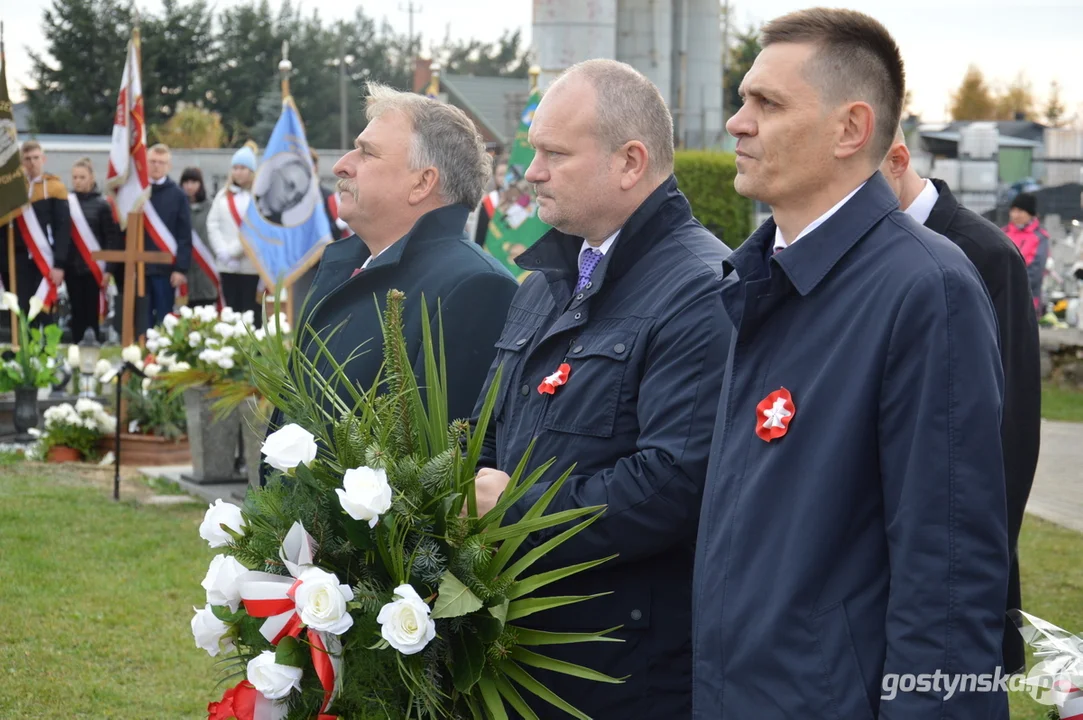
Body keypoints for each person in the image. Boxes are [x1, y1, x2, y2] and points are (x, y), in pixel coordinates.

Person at [692, 9, 1009, 719]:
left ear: (850, 129)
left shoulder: (924, 289)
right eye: (742, 100)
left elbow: (949, 585)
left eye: (766, 103)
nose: (736, 123)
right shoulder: (761, 280)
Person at [470, 59, 732, 718]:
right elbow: (485, 439)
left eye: (554, 152)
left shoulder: (701, 290)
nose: (531, 171)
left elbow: (673, 483)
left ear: (629, 162)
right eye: (533, 151)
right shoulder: (546, 284)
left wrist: (516, 511)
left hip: (618, 670)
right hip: (521, 649)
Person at [262, 83, 518, 481]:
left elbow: (436, 475)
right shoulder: (348, 265)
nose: (341, 165)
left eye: (367, 152)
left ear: (422, 182)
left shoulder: (476, 288)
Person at [880, 129, 1042, 675]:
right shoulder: (872, 248)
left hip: (952, 567)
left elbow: (1010, 434)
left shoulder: (987, 255)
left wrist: (974, 569)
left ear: (897, 161)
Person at [0, 140, 69, 323]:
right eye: (27, 158)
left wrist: (59, 264)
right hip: (18, 259)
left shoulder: (55, 187)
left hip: (45, 260)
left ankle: (47, 351)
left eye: (36, 158)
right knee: (21, 310)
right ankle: (23, 350)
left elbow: (62, 228)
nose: (32, 162)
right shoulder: (12, 190)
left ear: (43, 159)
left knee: (45, 311)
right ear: (22, 162)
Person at [67, 158, 121, 342]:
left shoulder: (103, 204)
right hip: (72, 267)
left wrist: (108, 270)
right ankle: (76, 348)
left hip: (94, 268)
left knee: (92, 312)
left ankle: (93, 347)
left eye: (82, 177)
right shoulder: (67, 203)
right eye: (74, 177)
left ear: (91, 178)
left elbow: (111, 239)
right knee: (76, 312)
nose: (78, 181)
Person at [207, 148, 260, 319]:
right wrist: (222, 252)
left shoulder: (257, 197)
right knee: (230, 311)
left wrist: (234, 252)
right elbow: (213, 223)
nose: (238, 172)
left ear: (251, 171)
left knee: (250, 312)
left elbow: (255, 228)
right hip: (226, 265)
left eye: (242, 168)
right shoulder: (222, 195)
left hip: (250, 265)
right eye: (235, 168)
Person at [145, 143, 192, 329]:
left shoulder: (178, 195)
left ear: (168, 166)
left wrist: (180, 268)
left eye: (161, 162)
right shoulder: (137, 192)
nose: (156, 166)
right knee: (141, 318)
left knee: (165, 320)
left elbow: (184, 234)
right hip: (140, 268)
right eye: (153, 161)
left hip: (166, 270)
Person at [1002, 192, 1049, 314]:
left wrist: (1012, 284)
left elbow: (1036, 270)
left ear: (1030, 213)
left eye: (1020, 211)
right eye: (1013, 210)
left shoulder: (1040, 237)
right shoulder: (1002, 233)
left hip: (1028, 297)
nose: (1015, 215)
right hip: (1002, 295)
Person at [179, 167, 219, 310]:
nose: (189, 186)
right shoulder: (177, 208)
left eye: (193, 182)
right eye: (186, 182)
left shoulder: (212, 207)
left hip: (205, 269)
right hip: (185, 271)